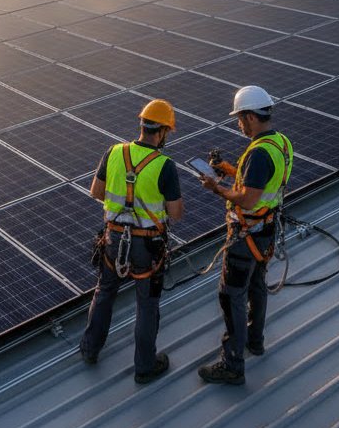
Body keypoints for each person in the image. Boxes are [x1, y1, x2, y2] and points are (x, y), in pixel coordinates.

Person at [79, 99, 184, 383]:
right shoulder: (165, 165)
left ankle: (90, 349)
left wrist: (124, 203)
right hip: (148, 246)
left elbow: (96, 192)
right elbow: (176, 213)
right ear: (161, 131)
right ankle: (144, 367)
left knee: (104, 292)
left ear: (142, 125)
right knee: (146, 305)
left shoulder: (113, 152)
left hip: (113, 239)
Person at [197, 85, 293, 386]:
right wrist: (229, 170)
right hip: (264, 233)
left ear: (251, 116)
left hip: (246, 235)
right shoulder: (279, 143)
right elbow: (259, 183)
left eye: (240, 118)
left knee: (231, 296)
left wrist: (217, 188)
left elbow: (249, 199)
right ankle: (255, 340)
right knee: (257, 285)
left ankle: (232, 364)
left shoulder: (259, 153)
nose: (238, 123)